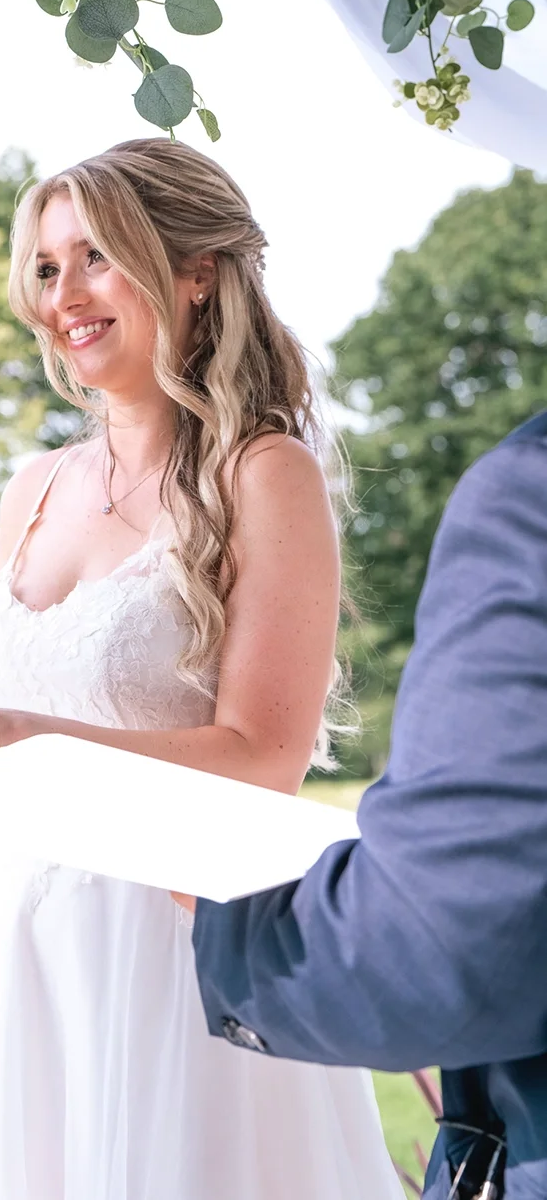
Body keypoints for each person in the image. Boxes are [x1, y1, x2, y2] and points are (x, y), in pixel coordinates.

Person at [0, 138, 403, 1200]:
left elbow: (262, 760)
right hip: (15, 964)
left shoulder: (263, 475)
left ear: (193, 271)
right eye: (44, 267)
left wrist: (11, 736)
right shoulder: (29, 490)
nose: (62, 296)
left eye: (94, 258)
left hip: (173, 959)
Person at [181, 408, 547, 1200]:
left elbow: (446, 944)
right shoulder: (35, 493)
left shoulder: (530, 492)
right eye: (39, 270)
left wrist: (228, 919)